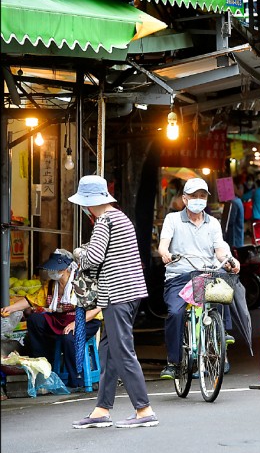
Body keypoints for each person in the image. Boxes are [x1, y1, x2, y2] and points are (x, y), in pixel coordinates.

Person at [66, 175, 157, 428]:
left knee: (122, 351)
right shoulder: (120, 216)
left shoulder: (105, 220)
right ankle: (101, 410)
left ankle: (144, 409)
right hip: (127, 293)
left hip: (118, 294)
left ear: (88, 202)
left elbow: (93, 258)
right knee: (108, 351)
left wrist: (78, 253)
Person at [157, 177, 240, 381]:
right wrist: (165, 253)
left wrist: (229, 260)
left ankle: (223, 332)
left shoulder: (213, 223)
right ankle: (174, 362)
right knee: (175, 313)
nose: (198, 200)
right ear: (184, 199)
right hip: (179, 276)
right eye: (194, 196)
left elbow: (220, 250)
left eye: (202, 196)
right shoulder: (172, 219)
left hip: (205, 273)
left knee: (223, 284)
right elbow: (163, 245)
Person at [0, 250, 102, 392]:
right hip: (61, 320)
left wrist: (76, 324)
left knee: (69, 338)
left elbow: (96, 308)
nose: (52, 272)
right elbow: (31, 300)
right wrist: (10, 308)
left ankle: (76, 380)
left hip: (87, 321)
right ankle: (44, 365)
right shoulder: (50, 285)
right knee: (35, 319)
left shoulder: (81, 283)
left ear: (66, 269)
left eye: (56, 268)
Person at [224, 179, 245, 249]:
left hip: (234, 236)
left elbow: (230, 220)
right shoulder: (237, 200)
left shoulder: (233, 202)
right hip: (237, 234)